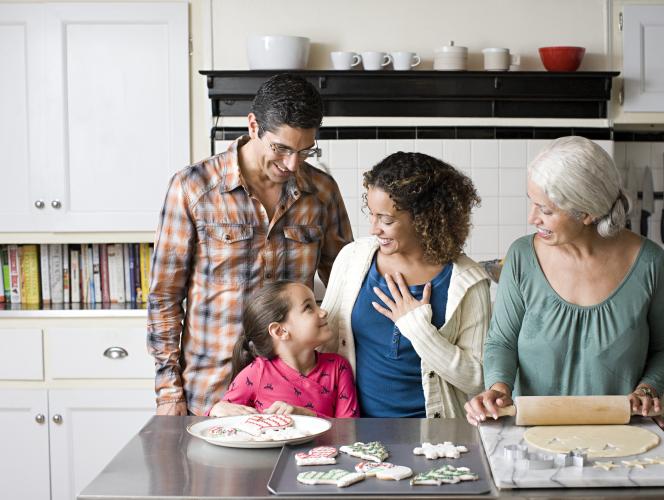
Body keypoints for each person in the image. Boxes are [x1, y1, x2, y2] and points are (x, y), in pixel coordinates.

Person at [147, 74, 353, 416]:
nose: (292, 164)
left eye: (305, 151)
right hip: (212, 390)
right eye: (282, 148)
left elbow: (346, 284)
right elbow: (164, 297)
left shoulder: (322, 192)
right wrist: (169, 392)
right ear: (254, 125)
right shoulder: (193, 188)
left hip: (298, 400)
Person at [465, 136, 664, 427]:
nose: (533, 218)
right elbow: (502, 341)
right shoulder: (521, 256)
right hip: (531, 432)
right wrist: (498, 387)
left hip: (619, 433)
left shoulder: (650, 263)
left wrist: (647, 389)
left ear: (586, 213)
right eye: (533, 204)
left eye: (546, 210)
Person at [321, 152, 491, 418]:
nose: (374, 228)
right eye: (372, 214)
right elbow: (324, 346)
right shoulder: (352, 258)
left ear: (425, 221)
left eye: (386, 220)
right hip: (354, 429)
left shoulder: (468, 282)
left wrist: (417, 328)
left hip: (437, 435)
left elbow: (477, 378)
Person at [208, 280, 358, 418]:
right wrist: (215, 410)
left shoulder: (338, 367)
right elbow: (216, 422)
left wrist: (308, 417)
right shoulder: (256, 373)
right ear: (280, 331)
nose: (323, 312)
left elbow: (349, 431)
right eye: (308, 307)